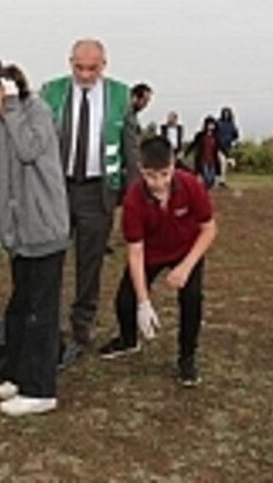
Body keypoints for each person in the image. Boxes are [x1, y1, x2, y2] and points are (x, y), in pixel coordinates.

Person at [0, 61, 69, 417]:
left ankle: (40, 389)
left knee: (40, 313)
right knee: (19, 308)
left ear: (4, 90)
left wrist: (11, 108)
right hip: (15, 233)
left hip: (44, 228)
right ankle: (18, 372)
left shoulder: (36, 111)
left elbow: (28, 149)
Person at [98, 136, 217, 387]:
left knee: (192, 298)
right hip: (150, 253)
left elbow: (209, 229)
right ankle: (129, 339)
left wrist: (186, 267)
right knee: (125, 301)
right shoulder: (133, 199)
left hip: (185, 250)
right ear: (141, 170)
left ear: (174, 165)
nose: (159, 182)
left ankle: (187, 357)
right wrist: (143, 302)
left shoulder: (191, 185)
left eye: (165, 174)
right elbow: (136, 251)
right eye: (152, 176)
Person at [40, 39, 134, 354]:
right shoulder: (51, 91)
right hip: (58, 188)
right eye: (79, 67)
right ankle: (47, 319)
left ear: (103, 65)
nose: (85, 74)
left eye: (92, 68)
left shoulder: (121, 95)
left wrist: (132, 195)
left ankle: (83, 320)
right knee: (50, 254)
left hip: (98, 190)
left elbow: (129, 146)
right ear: (70, 63)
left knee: (90, 260)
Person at [184, 116, 226, 189]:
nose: (211, 126)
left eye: (212, 124)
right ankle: (205, 190)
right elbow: (193, 144)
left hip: (212, 161)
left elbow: (221, 147)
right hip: (203, 160)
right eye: (209, 124)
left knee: (211, 177)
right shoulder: (200, 135)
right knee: (207, 177)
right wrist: (186, 153)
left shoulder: (215, 137)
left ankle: (206, 189)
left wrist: (227, 156)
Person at [215, 106, 239, 187]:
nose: (226, 115)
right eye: (225, 113)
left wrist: (231, 140)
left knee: (225, 163)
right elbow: (216, 134)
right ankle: (220, 180)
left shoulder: (231, 124)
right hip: (219, 146)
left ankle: (222, 180)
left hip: (227, 146)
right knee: (221, 162)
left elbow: (236, 135)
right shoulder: (218, 123)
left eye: (227, 113)